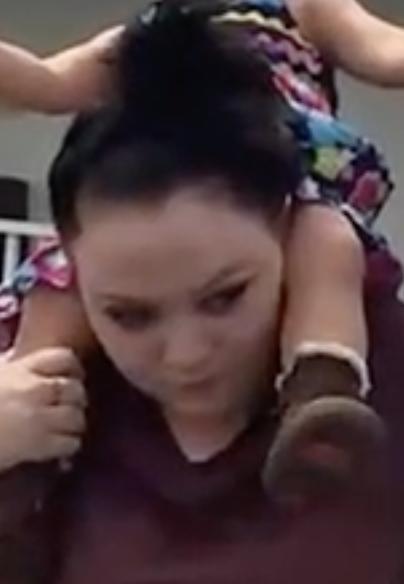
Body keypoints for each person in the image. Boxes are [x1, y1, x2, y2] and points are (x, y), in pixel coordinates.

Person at [0, 8, 403, 582]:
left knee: (329, 240)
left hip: (312, 188)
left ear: (280, 228)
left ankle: (323, 378)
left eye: (226, 297)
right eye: (129, 316)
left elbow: (385, 50)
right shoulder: (138, 41)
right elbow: (47, 82)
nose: (186, 356)